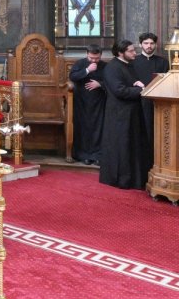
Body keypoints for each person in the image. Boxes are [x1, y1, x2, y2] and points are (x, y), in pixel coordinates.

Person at [99, 39, 149, 190]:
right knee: (122, 146)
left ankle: (134, 178)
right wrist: (141, 90)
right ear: (121, 53)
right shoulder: (112, 68)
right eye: (131, 51)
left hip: (131, 113)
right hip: (119, 114)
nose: (135, 53)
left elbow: (130, 83)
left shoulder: (128, 65)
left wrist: (137, 84)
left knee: (131, 145)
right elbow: (119, 90)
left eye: (134, 50)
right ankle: (122, 180)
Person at [68, 44, 108, 165]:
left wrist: (100, 84)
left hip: (99, 102)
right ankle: (84, 155)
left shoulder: (106, 66)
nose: (94, 60)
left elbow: (111, 81)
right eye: (91, 58)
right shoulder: (80, 64)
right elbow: (73, 77)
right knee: (83, 128)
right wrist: (87, 70)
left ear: (100, 55)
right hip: (82, 102)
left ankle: (97, 156)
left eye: (96, 58)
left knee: (98, 129)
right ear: (87, 54)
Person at [131, 33, 168, 159]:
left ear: (156, 45)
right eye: (146, 43)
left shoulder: (163, 62)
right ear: (140, 44)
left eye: (152, 43)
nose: (149, 46)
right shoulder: (133, 61)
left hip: (157, 102)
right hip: (138, 101)